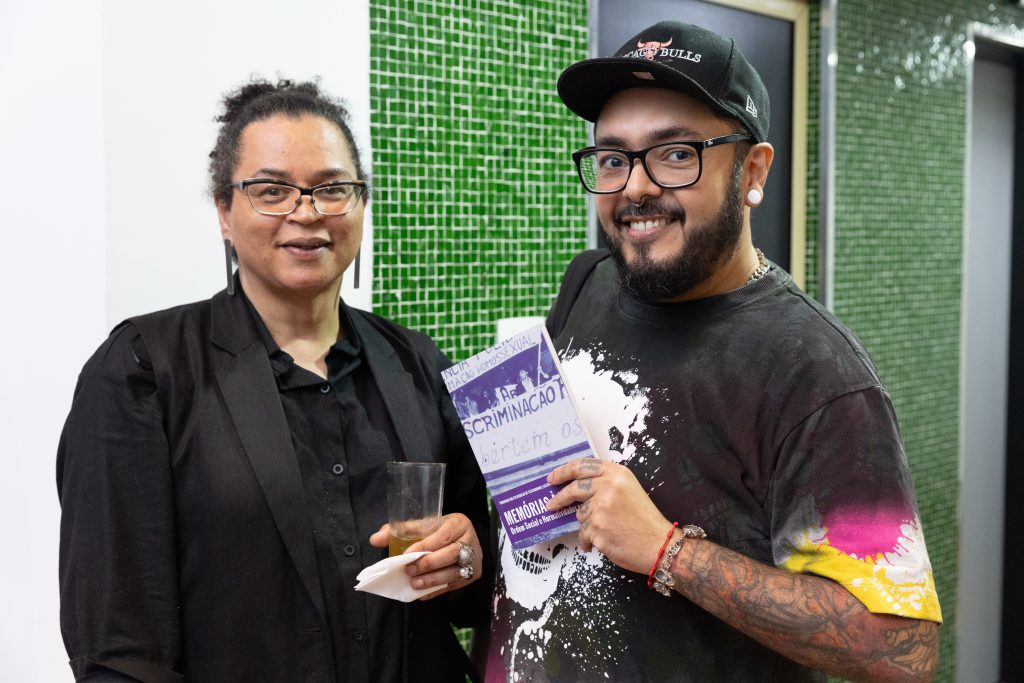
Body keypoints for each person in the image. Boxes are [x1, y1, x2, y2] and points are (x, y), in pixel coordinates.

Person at [486, 21, 942, 682]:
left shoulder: (815, 370)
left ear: (752, 170)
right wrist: (472, 548)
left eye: (676, 153)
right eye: (613, 159)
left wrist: (668, 552)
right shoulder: (589, 281)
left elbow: (900, 647)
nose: (634, 188)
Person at [57, 79, 492, 683]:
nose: (306, 213)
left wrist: (465, 558)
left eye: (331, 189)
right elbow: (119, 646)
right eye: (272, 191)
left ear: (361, 204)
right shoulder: (143, 371)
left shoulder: (418, 364)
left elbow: (478, 583)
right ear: (224, 211)